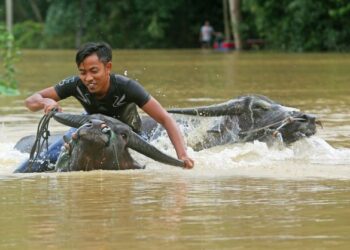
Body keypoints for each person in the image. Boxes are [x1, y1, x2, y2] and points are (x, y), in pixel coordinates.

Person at [16, 42, 194, 171]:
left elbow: (165, 118)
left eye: (94, 71)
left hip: (127, 134)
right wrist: (45, 101)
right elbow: (30, 101)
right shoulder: (75, 84)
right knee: (42, 161)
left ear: (108, 67)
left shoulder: (127, 87)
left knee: (151, 168)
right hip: (91, 128)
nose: (88, 78)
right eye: (83, 72)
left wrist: (182, 155)